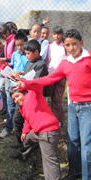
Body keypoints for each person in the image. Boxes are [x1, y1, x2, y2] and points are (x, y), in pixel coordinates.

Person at [15, 29, 90, 180]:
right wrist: (27, 83)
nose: (71, 48)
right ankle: (75, 172)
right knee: (73, 141)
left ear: (81, 43)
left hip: (88, 106)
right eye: (67, 45)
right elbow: (48, 79)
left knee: (87, 145)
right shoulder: (66, 62)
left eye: (74, 44)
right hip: (73, 106)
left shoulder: (88, 59)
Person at [10, 88, 61, 180]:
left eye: (17, 96)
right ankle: (25, 154)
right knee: (26, 139)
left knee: (49, 162)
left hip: (48, 132)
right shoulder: (23, 107)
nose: (16, 100)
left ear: (25, 93)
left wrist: (23, 82)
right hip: (38, 132)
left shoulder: (32, 96)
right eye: (14, 99)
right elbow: (27, 119)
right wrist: (25, 131)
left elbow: (36, 85)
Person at [10, 39, 49, 149]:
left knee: (25, 122)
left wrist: (21, 80)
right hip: (23, 96)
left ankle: (27, 146)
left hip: (32, 98)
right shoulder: (30, 63)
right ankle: (21, 142)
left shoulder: (41, 65)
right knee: (17, 120)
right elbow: (27, 77)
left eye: (28, 53)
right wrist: (18, 78)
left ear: (36, 52)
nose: (26, 56)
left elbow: (35, 82)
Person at [0, 32, 29, 138]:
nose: (20, 47)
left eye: (22, 45)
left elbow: (30, 71)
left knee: (23, 109)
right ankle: (8, 128)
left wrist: (21, 73)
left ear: (26, 43)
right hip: (12, 84)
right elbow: (12, 65)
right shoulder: (15, 54)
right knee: (10, 107)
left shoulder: (29, 55)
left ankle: (25, 131)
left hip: (22, 85)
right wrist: (6, 72)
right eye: (17, 45)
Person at [46, 26, 67, 123]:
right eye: (55, 34)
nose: (57, 36)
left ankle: (57, 119)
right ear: (52, 35)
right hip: (51, 75)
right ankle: (59, 117)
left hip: (61, 76)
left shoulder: (65, 47)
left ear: (62, 35)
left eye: (59, 34)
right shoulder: (50, 47)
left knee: (58, 98)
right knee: (53, 97)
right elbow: (47, 61)